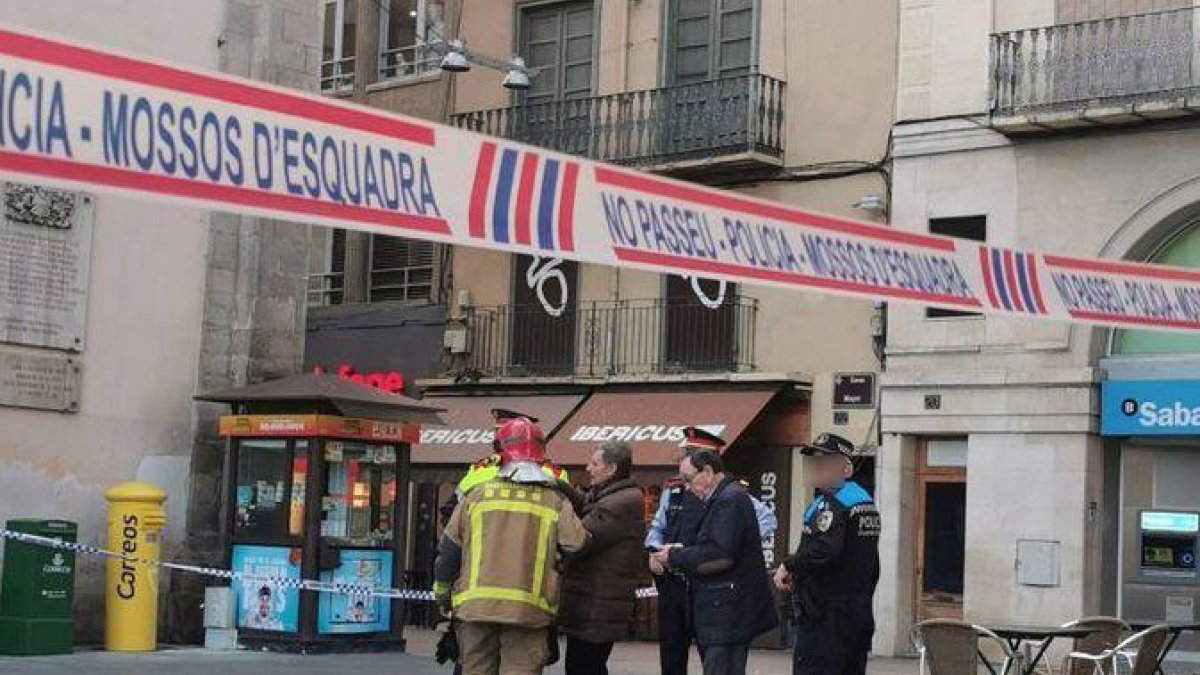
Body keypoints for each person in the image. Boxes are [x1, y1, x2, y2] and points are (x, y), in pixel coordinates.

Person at [433, 415, 590, 675]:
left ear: (501, 450)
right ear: (541, 452)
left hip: (475, 608)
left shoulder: (477, 494)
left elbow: (449, 551)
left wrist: (442, 594)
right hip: (528, 610)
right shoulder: (554, 498)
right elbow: (579, 545)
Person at [644, 427, 778, 675]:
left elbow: (758, 526)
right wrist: (655, 552)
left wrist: (686, 552)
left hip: (714, 589)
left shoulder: (730, 496)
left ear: (706, 467)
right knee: (673, 657)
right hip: (677, 583)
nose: (685, 481)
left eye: (686, 458)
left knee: (717, 660)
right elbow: (657, 527)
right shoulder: (675, 492)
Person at [774, 433, 880, 675]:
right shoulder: (865, 505)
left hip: (826, 613)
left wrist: (789, 566)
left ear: (845, 468)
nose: (817, 469)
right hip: (856, 610)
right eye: (815, 463)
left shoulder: (836, 505)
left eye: (825, 463)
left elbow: (825, 550)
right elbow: (870, 564)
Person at [559, 442, 647, 675]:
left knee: (584, 667)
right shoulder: (612, 495)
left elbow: (580, 540)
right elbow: (588, 506)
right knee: (584, 666)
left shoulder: (621, 503)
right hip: (594, 602)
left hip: (599, 606)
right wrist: (562, 486)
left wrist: (561, 509)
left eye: (595, 463)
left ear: (611, 469)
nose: (588, 468)